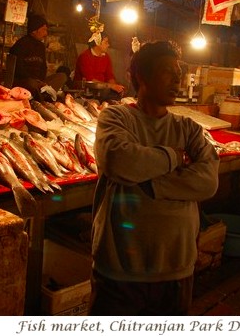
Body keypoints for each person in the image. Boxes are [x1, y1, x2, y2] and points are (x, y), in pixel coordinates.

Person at [89, 41, 220, 315]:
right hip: (120, 271)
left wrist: (149, 181)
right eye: (166, 71)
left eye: (179, 73)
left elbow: (208, 181)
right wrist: (175, 157)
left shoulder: (189, 129)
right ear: (141, 76)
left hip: (177, 269)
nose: (177, 79)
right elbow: (119, 160)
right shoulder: (116, 117)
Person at [9, 14, 67, 100]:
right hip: (24, 82)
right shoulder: (21, 44)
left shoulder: (41, 46)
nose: (46, 34)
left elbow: (43, 67)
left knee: (62, 76)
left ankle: (44, 94)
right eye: (43, 30)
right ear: (34, 30)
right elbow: (18, 69)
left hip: (39, 82)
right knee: (31, 83)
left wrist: (41, 81)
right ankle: (43, 96)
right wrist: (35, 81)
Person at [74, 33, 125, 100]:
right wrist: (110, 86)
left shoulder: (106, 57)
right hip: (86, 93)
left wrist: (116, 88)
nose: (108, 45)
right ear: (97, 43)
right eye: (106, 42)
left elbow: (109, 76)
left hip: (102, 91)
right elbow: (90, 80)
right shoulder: (84, 57)